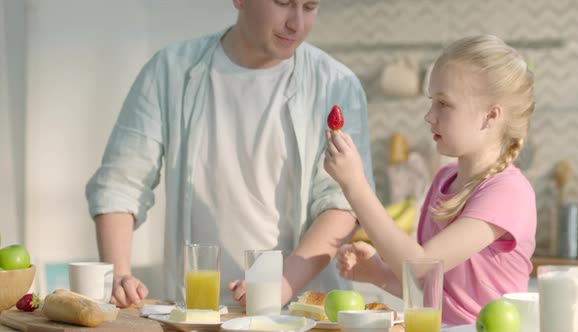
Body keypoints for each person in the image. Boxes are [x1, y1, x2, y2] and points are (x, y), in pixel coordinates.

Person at [85, 0, 374, 308]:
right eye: (283, 3)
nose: (297, 23)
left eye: (310, 6)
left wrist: (281, 285)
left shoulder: (336, 84)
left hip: (301, 311)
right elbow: (120, 183)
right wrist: (117, 274)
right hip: (196, 312)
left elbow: (342, 203)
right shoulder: (170, 70)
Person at [324, 35, 536, 325]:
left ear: (490, 116)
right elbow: (434, 293)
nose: (429, 116)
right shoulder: (444, 179)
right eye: (431, 102)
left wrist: (355, 185)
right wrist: (379, 274)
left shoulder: (509, 192)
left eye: (444, 104)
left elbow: (421, 267)